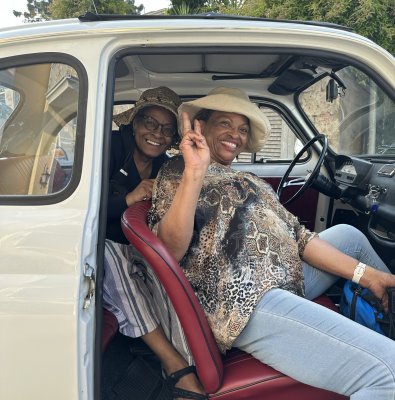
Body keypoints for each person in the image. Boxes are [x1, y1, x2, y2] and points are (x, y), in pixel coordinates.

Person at [148, 86, 395, 399]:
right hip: (244, 301)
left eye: (242, 129)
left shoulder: (244, 177)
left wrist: (365, 274)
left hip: (280, 275)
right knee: (389, 373)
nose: (234, 134)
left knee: (349, 236)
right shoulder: (179, 172)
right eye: (224, 123)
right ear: (202, 125)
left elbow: (298, 235)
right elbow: (170, 249)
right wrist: (195, 173)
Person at [103, 86, 206, 399]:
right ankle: (176, 366)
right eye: (149, 123)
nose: (157, 134)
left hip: (142, 247)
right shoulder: (108, 147)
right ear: (134, 123)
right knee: (116, 261)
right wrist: (128, 199)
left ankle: (195, 359)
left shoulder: (166, 166)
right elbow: (83, 207)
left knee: (172, 270)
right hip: (101, 247)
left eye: (166, 129)